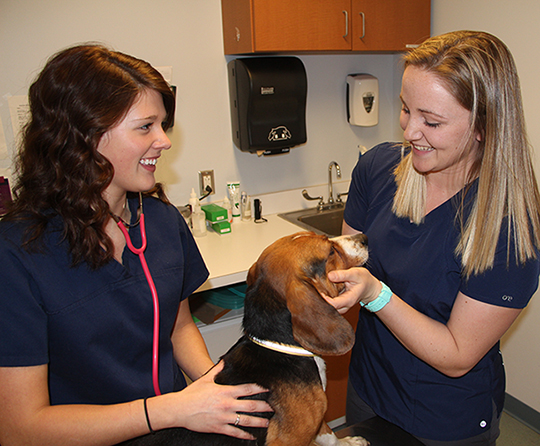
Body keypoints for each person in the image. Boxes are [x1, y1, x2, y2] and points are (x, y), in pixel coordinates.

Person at [0, 44, 271, 445]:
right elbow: (21, 428)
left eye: (163, 125)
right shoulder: (18, 253)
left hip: (171, 429)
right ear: (84, 135)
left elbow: (178, 327)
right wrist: (171, 409)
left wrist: (219, 389)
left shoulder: (160, 221)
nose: (163, 141)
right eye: (145, 127)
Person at [325, 31, 540, 446]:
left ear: (482, 126)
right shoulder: (378, 169)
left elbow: (458, 355)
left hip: (445, 418)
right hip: (370, 389)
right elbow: (344, 265)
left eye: (432, 121)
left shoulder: (509, 226)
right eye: (406, 109)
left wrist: (376, 294)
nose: (409, 131)